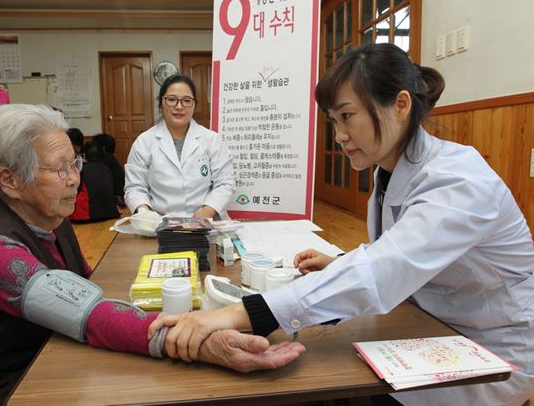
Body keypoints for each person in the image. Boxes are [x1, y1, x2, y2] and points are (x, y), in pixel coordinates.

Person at [150, 44, 534, 406]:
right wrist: (341, 263)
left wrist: (238, 314)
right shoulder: (392, 169)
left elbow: (388, 267)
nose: (340, 135)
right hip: (429, 325)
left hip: (490, 347)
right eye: (334, 121)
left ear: (400, 105)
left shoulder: (459, 180)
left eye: (347, 116)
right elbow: (407, 253)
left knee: (313, 378)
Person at [0, 104, 305, 404]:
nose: (74, 178)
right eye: (59, 169)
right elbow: (87, 310)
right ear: (10, 181)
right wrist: (198, 341)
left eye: (75, 162)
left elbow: (82, 284)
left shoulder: (49, 214)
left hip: (40, 352)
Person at [125, 74, 235, 218]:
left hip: (206, 222)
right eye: (171, 100)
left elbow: (225, 184)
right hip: (159, 224)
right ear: (161, 104)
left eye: (186, 101)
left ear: (194, 104)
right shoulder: (144, 142)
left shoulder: (211, 140)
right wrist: (144, 213)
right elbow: (135, 187)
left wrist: (205, 214)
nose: (179, 106)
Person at [69, 140, 120, 222]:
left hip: (86, 216)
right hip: (110, 213)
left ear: (84, 155)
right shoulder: (106, 168)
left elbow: (75, 190)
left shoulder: (81, 170)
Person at [92, 133, 125, 201]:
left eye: (95, 145)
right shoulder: (110, 158)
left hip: (114, 197)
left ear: (103, 148)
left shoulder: (105, 160)